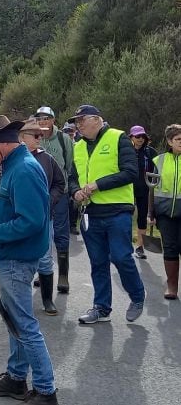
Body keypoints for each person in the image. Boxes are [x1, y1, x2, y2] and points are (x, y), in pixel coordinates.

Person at [0, 116, 58, 405]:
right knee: (15, 321)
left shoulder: (23, 169)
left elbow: (31, 221)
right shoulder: (14, 166)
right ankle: (17, 378)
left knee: (24, 325)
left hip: (17, 258)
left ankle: (46, 391)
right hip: (12, 256)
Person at [67, 105, 146, 324]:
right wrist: (75, 191)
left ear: (97, 119)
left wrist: (97, 185)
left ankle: (138, 295)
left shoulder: (118, 138)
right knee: (98, 261)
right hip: (90, 212)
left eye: (82, 120)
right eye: (76, 122)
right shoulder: (78, 146)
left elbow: (130, 172)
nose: (78, 125)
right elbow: (72, 176)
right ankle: (101, 308)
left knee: (120, 256)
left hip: (117, 209)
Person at [20, 120, 65, 315]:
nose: (40, 139)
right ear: (22, 138)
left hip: (44, 218)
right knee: (20, 259)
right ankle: (19, 301)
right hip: (18, 219)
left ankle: (47, 300)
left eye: (41, 135)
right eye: (35, 135)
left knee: (45, 259)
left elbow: (59, 183)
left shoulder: (47, 159)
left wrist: (48, 201)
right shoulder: (12, 160)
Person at [34, 106, 73, 294]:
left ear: (53, 120)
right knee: (40, 232)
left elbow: (70, 166)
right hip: (38, 195)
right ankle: (44, 273)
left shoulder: (63, 139)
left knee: (60, 233)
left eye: (46, 118)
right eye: (39, 118)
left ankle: (63, 275)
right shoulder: (34, 138)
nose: (42, 121)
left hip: (61, 193)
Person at [149, 124, 181, 300]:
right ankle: (172, 286)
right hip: (165, 212)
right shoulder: (159, 160)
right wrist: (150, 213)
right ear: (169, 141)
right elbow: (152, 189)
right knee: (170, 247)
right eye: (178, 139)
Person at [129, 125, 157, 259]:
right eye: (137, 136)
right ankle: (125, 243)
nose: (140, 139)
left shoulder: (150, 152)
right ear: (131, 137)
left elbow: (156, 171)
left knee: (142, 218)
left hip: (145, 189)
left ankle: (140, 247)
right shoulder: (126, 151)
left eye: (143, 136)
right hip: (127, 189)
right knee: (126, 216)